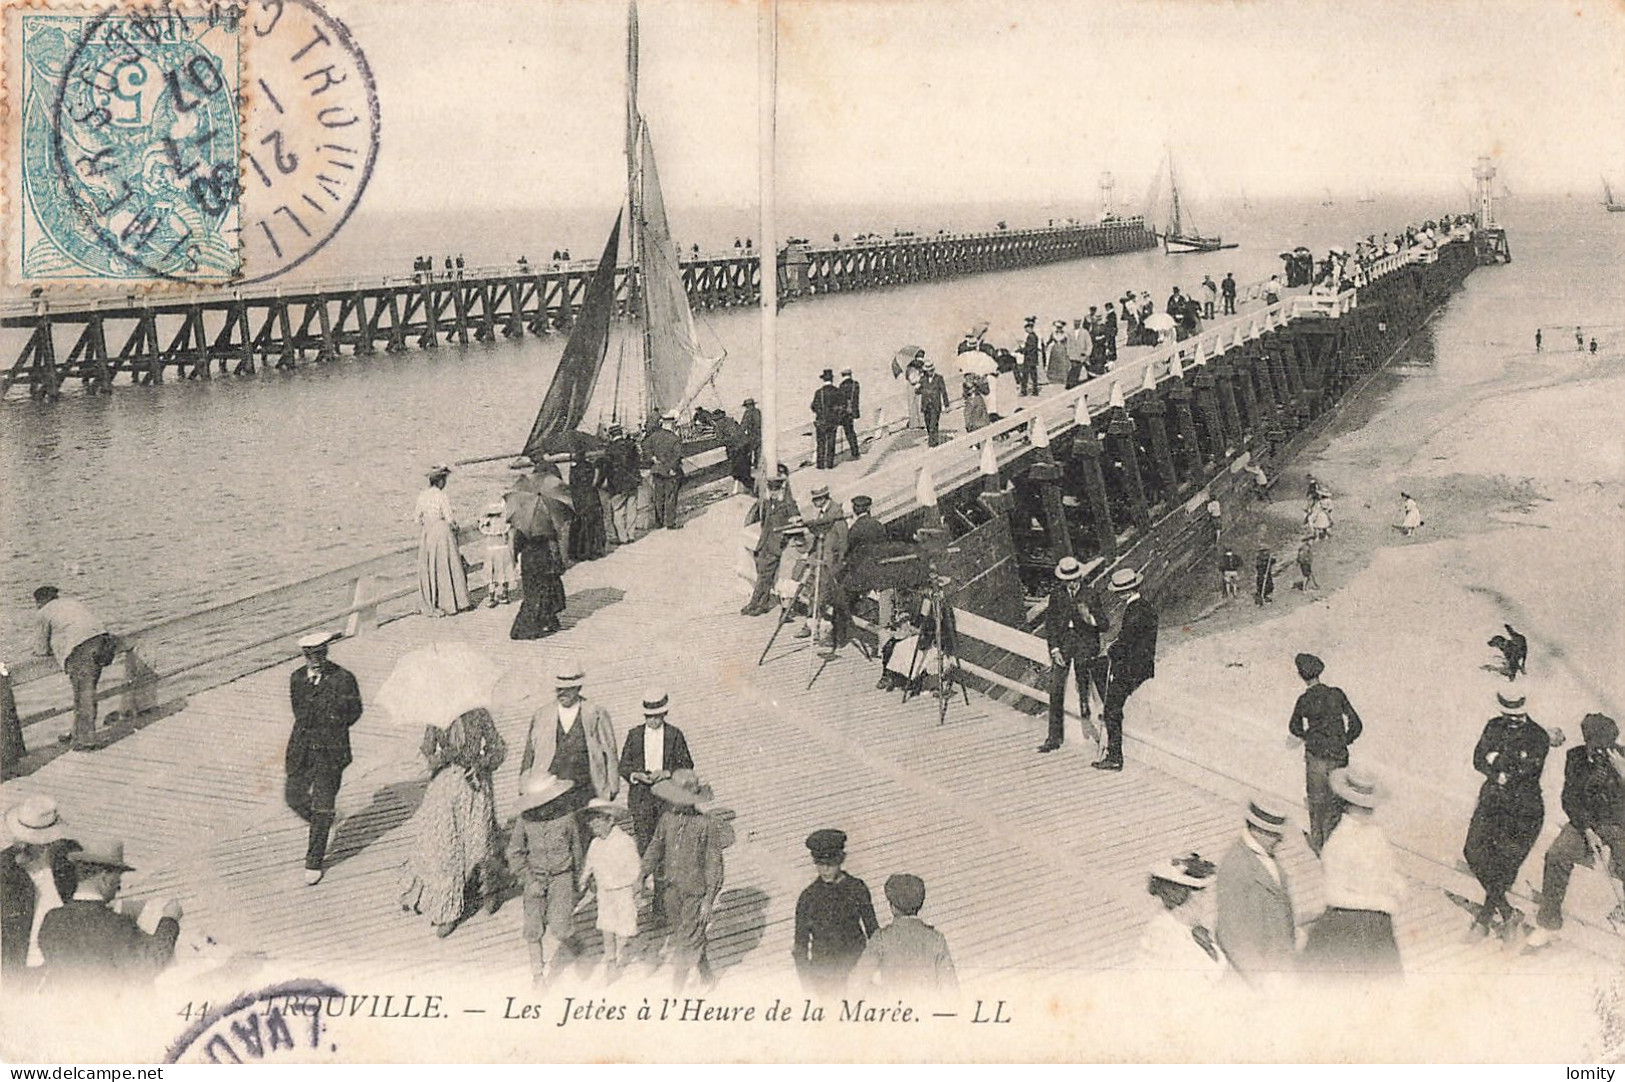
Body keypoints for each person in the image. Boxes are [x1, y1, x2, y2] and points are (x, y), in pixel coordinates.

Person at [399, 704, 507, 937]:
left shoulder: (479, 714)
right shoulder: (436, 717)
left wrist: (480, 764)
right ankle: (447, 909)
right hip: (446, 786)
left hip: (475, 787)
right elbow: (427, 750)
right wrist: (441, 758)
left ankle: (487, 888)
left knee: (479, 844)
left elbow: (498, 749)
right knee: (445, 846)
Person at [1526, 714, 1625, 950]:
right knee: (1557, 855)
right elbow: (1569, 799)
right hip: (1584, 823)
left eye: (1608, 746)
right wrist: (1587, 829)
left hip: (1619, 823)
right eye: (1598, 747)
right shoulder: (1576, 757)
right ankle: (1548, 925)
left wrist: (1623, 772)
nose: (1603, 752)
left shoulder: (1622, 757)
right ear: (1588, 741)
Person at [1463, 690, 1552, 941]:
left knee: (1504, 864)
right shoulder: (1493, 726)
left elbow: (1527, 770)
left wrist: (1497, 759)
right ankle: (1507, 911)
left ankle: (1483, 920)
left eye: (1516, 714)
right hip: (1491, 801)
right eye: (1507, 714)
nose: (1511, 719)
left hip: (1522, 809)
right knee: (1472, 851)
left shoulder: (1538, 735)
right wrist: (1497, 769)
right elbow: (1478, 759)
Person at [38, 838, 181, 991]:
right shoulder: (117, 924)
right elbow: (149, 964)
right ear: (105, 878)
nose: (119, 886)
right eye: (118, 877)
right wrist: (170, 919)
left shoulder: (51, 919)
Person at [1302, 767, 1403, 979]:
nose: (1367, 811)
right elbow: (1334, 895)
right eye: (1361, 807)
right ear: (1347, 806)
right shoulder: (1338, 843)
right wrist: (1381, 902)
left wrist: (1393, 887)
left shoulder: (1376, 834)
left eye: (1369, 807)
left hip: (1377, 926)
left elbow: (1391, 875)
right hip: (1349, 926)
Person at [641, 769, 732, 992]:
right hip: (671, 889)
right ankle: (707, 976)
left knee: (686, 940)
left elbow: (714, 865)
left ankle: (676, 990)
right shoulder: (667, 819)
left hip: (694, 892)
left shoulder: (706, 825)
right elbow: (655, 847)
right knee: (686, 935)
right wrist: (641, 874)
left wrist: (709, 899)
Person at [285, 631, 362, 886]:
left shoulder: (343, 679)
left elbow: (354, 712)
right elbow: (298, 711)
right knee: (294, 797)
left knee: (321, 804)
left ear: (327, 652)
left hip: (331, 751)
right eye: (310, 655)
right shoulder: (297, 679)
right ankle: (325, 820)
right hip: (302, 749)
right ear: (304, 656)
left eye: (319, 654)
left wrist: (333, 725)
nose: (315, 660)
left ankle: (314, 860)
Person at [506, 771, 580, 989]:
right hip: (535, 878)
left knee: (560, 924)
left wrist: (577, 880)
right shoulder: (525, 821)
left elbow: (576, 848)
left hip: (561, 876)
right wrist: (529, 880)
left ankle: (571, 939)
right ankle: (538, 976)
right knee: (533, 928)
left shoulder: (567, 817)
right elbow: (515, 853)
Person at [519, 660, 620, 820]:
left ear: (578, 688)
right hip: (551, 791)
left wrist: (612, 786)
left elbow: (610, 751)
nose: (561, 694)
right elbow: (529, 753)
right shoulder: (542, 715)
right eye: (558, 689)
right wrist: (525, 784)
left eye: (567, 690)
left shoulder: (595, 712)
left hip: (586, 788)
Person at [1215, 798, 1297, 987]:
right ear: (1258, 831)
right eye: (1275, 835)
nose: (1279, 840)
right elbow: (1232, 932)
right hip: (1262, 973)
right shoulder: (1235, 866)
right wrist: (1259, 978)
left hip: (1280, 963)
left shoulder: (1264, 854)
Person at [1287, 652, 1364, 854]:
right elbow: (1356, 724)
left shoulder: (1304, 699)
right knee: (1337, 800)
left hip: (1317, 757)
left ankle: (1319, 842)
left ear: (1301, 675)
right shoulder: (1337, 694)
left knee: (1317, 800)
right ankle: (1336, 844)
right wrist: (1344, 740)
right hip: (1339, 756)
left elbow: (1294, 727)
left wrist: (1308, 737)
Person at [1, 797, 77, 986]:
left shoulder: (69, 860)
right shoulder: (4, 867)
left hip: (60, 959)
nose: (23, 846)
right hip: (18, 962)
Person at [792, 828, 878, 995]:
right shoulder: (808, 898)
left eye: (831, 864)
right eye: (819, 864)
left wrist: (870, 969)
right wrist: (808, 986)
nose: (825, 869)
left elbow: (873, 932)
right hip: (824, 978)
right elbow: (800, 947)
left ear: (841, 859)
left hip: (856, 970)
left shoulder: (857, 888)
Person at [31, 587, 116, 753]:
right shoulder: (70, 602)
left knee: (83, 693)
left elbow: (41, 649)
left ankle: (86, 741)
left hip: (81, 649)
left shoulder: (43, 612)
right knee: (85, 691)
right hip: (103, 642)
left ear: (39, 601)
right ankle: (77, 733)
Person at [1039, 556, 1109, 755]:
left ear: (1080, 577)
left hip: (1085, 644)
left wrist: (1090, 618)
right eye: (1068, 581)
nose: (1072, 584)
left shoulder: (1090, 594)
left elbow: (1104, 625)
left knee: (1084, 677)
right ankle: (1053, 738)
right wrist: (1054, 650)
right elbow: (1051, 625)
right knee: (1055, 686)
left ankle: (1086, 706)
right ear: (1063, 581)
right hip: (1064, 645)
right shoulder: (1057, 595)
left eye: (1075, 579)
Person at [848, 873, 958, 998]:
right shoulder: (936, 939)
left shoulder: (881, 938)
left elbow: (857, 981)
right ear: (919, 905)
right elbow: (951, 990)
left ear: (892, 908)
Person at [618, 689, 695, 855]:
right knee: (644, 840)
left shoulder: (674, 735)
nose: (653, 721)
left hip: (666, 793)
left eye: (657, 716)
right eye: (649, 717)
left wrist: (667, 773)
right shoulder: (635, 735)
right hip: (641, 795)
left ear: (664, 714)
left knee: (667, 838)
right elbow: (623, 765)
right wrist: (635, 775)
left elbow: (687, 764)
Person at [1098, 567, 1155, 772]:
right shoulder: (1144, 606)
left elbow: (1126, 642)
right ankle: (1114, 754)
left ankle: (1115, 757)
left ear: (1125, 592)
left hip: (1131, 670)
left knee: (1111, 709)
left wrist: (1111, 648)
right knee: (1113, 707)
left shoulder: (1134, 611)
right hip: (1142, 666)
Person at [1138, 853, 1225, 981]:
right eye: (1202, 893)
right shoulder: (1162, 935)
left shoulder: (1191, 926)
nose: (1207, 899)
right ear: (1183, 898)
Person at [580, 799, 641, 974]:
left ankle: (644, 949)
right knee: (606, 926)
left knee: (628, 928)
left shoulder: (624, 841)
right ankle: (611, 965)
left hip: (622, 891)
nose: (593, 825)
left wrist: (637, 887)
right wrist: (583, 880)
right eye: (591, 821)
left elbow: (635, 866)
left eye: (598, 820)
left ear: (610, 820)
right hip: (604, 892)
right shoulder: (595, 844)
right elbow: (589, 865)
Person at [509, 477, 568, 641]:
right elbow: (557, 540)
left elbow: (517, 544)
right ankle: (543, 621)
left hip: (530, 559)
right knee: (547, 590)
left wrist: (514, 558)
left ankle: (532, 624)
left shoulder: (523, 521)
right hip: (546, 559)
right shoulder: (550, 519)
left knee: (533, 593)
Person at [740, 473, 801, 616]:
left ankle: (756, 603)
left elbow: (796, 524)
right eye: (771, 489)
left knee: (764, 575)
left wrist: (784, 540)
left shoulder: (788, 504)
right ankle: (760, 603)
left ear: (781, 489)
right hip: (764, 544)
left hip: (777, 546)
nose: (773, 492)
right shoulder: (768, 503)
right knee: (763, 574)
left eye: (776, 489)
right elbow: (764, 524)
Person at [414, 465, 471, 618]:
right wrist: (455, 526)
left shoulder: (422, 495)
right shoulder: (441, 496)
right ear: (440, 481)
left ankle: (434, 602)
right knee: (448, 564)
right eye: (444, 480)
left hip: (428, 532)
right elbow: (450, 518)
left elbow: (416, 518)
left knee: (432, 566)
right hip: (441, 530)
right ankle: (452, 602)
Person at [805, 485, 849, 652]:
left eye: (816, 499)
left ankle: (827, 635)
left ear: (823, 498)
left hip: (830, 564)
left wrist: (838, 564)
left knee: (826, 598)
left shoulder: (835, 513)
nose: (814, 503)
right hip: (821, 560)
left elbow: (843, 540)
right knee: (815, 594)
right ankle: (812, 626)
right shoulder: (823, 512)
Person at [602, 424, 643, 545]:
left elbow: (607, 469)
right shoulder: (631, 445)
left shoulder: (610, 449)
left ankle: (623, 537)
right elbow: (637, 462)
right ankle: (631, 535)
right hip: (632, 482)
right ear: (621, 433)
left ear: (611, 435)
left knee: (618, 511)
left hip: (617, 485)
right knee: (632, 508)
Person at [644, 413, 685, 529]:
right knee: (671, 497)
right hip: (671, 471)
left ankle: (659, 522)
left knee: (658, 497)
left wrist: (653, 458)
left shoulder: (652, 437)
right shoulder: (674, 438)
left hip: (657, 470)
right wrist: (671, 468)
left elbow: (645, 449)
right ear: (671, 424)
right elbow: (677, 456)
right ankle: (670, 523)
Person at [567, 450, 607, 561]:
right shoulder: (591, 467)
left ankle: (578, 552)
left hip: (580, 498)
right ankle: (595, 550)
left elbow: (572, 486)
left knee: (579, 524)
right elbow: (596, 482)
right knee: (593, 524)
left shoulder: (574, 470)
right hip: (592, 497)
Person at [477, 503, 518, 606]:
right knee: (504, 572)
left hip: (491, 551)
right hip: (503, 549)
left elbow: (482, 530)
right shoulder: (504, 522)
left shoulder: (487, 523)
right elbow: (507, 537)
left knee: (491, 573)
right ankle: (504, 595)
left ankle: (491, 597)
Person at [811, 369, 843, 470]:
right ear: (832, 379)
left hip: (821, 420)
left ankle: (820, 464)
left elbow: (813, 407)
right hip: (832, 421)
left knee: (820, 443)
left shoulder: (819, 392)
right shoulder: (837, 391)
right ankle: (830, 464)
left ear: (823, 379)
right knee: (831, 442)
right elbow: (842, 405)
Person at [729, 399, 761, 495]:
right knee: (758, 453)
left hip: (753, 436)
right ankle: (759, 467)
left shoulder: (748, 413)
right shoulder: (758, 412)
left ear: (747, 406)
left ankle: (753, 475)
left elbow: (744, 426)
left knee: (747, 454)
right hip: (761, 434)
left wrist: (738, 435)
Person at [918, 361, 950, 447]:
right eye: (928, 370)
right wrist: (917, 387)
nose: (930, 372)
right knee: (928, 425)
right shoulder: (922, 379)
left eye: (931, 370)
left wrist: (946, 405)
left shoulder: (939, 378)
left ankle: (933, 444)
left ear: (933, 369)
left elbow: (944, 392)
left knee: (933, 425)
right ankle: (933, 440)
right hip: (926, 406)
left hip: (935, 405)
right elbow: (918, 392)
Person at [837, 368, 862, 461]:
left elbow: (840, 401)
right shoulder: (856, 384)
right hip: (853, 411)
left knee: (849, 432)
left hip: (845, 413)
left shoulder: (842, 386)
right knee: (852, 431)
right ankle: (855, 450)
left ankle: (854, 452)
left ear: (842, 375)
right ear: (850, 374)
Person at [1019, 317, 1041, 396]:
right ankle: (1035, 391)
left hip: (1029, 359)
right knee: (1033, 376)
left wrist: (1021, 350)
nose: (1026, 330)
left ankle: (1024, 391)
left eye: (1026, 328)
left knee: (1025, 376)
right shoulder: (1034, 336)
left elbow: (1030, 348)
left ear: (1030, 328)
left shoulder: (1031, 337)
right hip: (1033, 359)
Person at [1045, 321, 1070, 388]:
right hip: (1055, 350)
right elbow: (1049, 341)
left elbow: (1068, 343)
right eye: (1057, 327)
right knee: (1054, 364)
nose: (1059, 329)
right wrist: (1046, 346)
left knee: (1062, 364)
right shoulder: (1053, 334)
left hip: (1062, 350)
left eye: (1060, 327)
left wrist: (1068, 351)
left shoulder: (1065, 334)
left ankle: (1063, 380)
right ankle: (1053, 380)